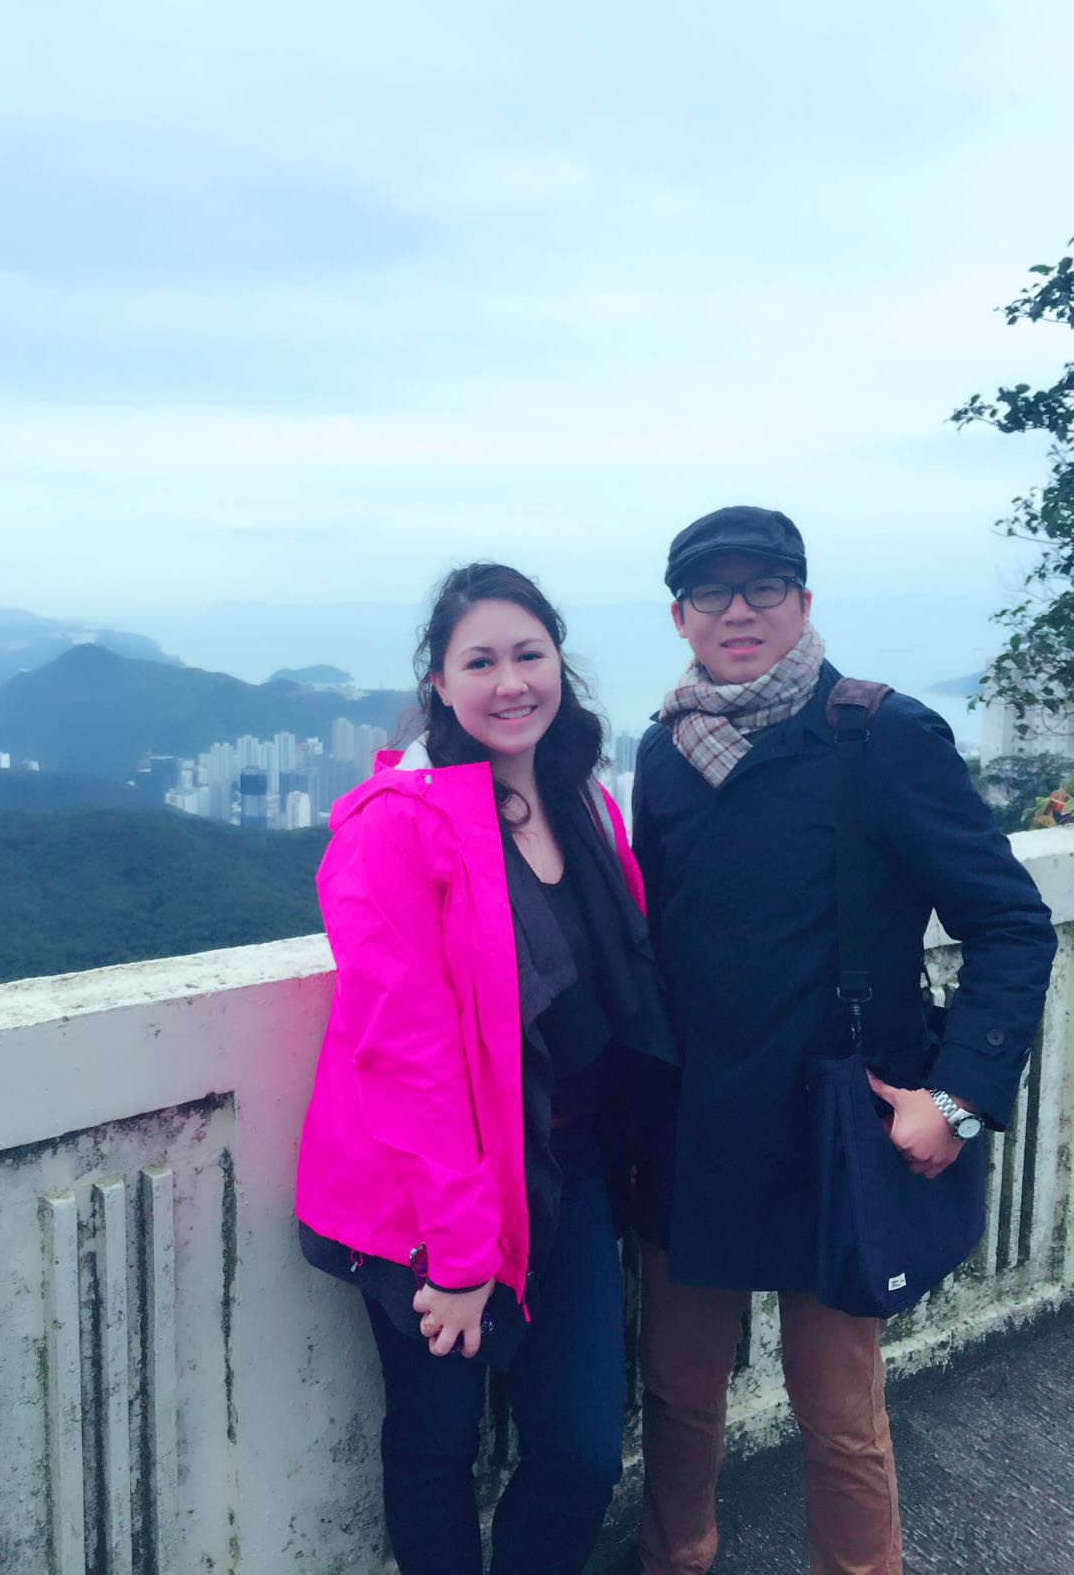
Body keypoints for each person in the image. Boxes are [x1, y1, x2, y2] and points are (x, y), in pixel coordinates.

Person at [629, 506, 1057, 1575]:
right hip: (692, 1127)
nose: (739, 609)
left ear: (803, 603)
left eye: (763, 586)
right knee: (679, 1394)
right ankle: (677, 1556)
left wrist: (958, 1096)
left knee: (839, 1411)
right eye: (712, 591)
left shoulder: (878, 732)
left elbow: (1008, 920)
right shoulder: (666, 750)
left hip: (836, 1122)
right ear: (679, 616)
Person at [296, 563, 678, 1575]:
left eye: (528, 655)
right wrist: (460, 1258)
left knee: (584, 1450)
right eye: (480, 661)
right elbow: (408, 1054)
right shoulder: (394, 826)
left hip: (570, 1169)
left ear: (560, 663)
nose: (510, 682)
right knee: (437, 1444)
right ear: (439, 683)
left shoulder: (584, 801)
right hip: (428, 1199)